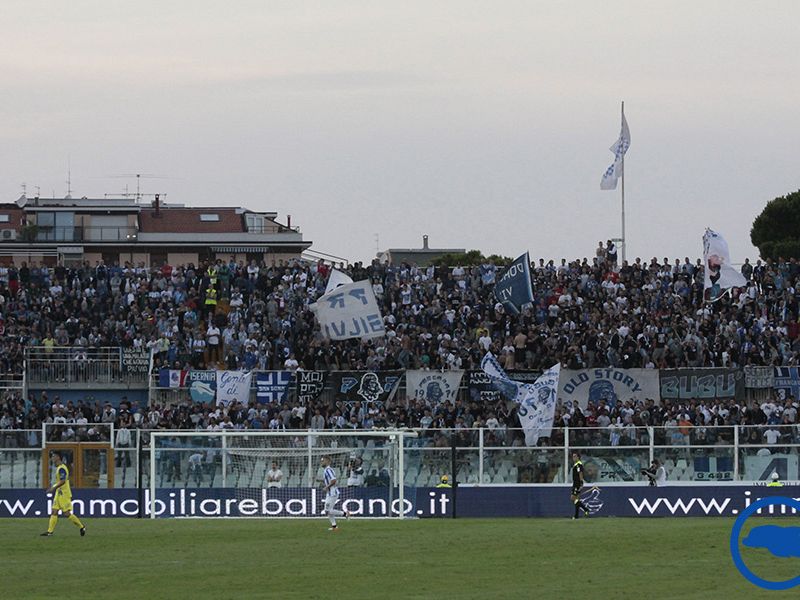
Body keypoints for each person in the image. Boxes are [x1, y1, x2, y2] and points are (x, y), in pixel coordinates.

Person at [41, 451, 86, 537]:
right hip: (59, 493)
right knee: (54, 511)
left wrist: (53, 488)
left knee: (66, 513)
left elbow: (62, 481)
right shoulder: (59, 468)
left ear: (58, 457)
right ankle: (49, 532)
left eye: (53, 456)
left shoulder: (62, 468)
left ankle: (82, 527)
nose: (52, 458)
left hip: (64, 494)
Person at [321, 456, 348, 531]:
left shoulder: (328, 470)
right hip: (330, 493)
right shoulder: (327, 470)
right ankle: (334, 527)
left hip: (332, 493)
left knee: (327, 511)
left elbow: (334, 480)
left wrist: (327, 487)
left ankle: (345, 514)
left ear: (328, 461)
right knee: (328, 510)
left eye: (323, 461)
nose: (322, 462)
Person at [570, 452, 590, 519]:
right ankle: (576, 516)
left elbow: (580, 473)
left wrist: (581, 482)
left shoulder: (578, 464)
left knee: (573, 498)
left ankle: (585, 509)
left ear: (578, 457)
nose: (573, 458)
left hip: (577, 483)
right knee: (577, 500)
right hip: (576, 483)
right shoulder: (576, 464)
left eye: (575, 456)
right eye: (573, 456)